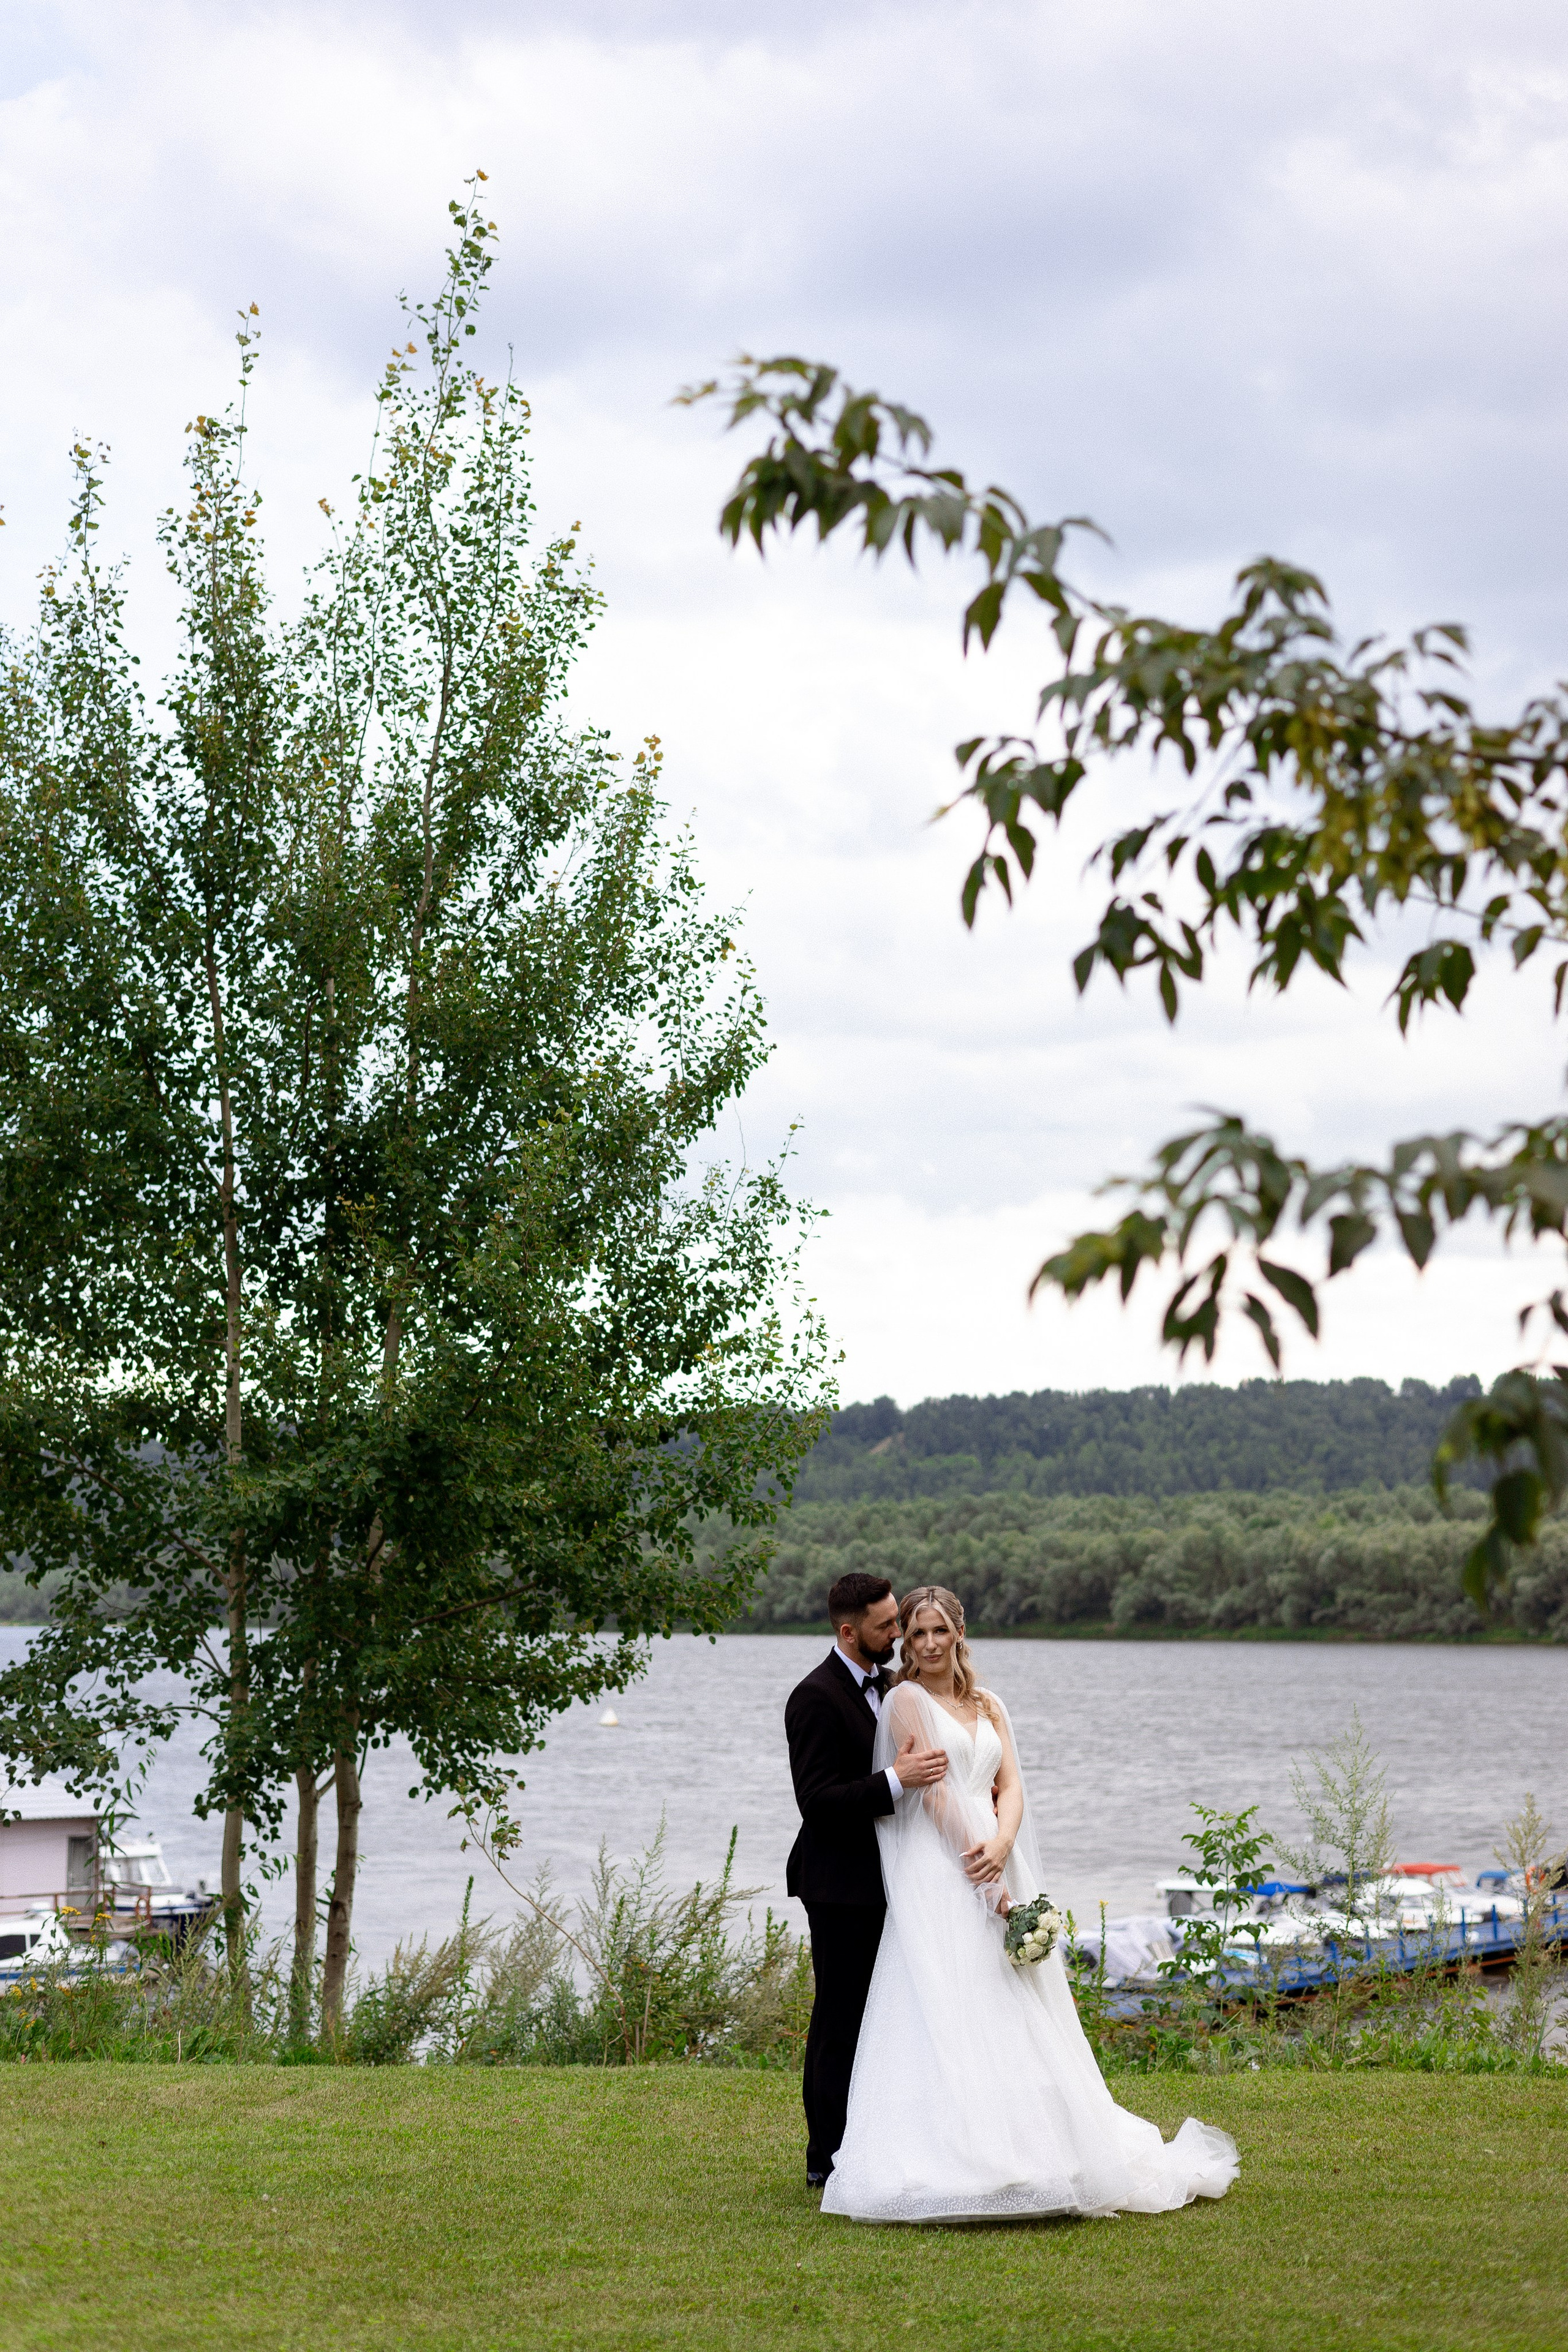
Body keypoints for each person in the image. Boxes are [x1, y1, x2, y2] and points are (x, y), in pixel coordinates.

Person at [820, 1584, 1239, 2224]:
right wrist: (984, 1874)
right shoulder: (905, 1701)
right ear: (905, 1638)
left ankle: (1049, 2148)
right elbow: (931, 1796)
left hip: (996, 1845)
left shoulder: (988, 1703)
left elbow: (1009, 1782)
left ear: (960, 1632)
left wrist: (1004, 1840)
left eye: (940, 1631)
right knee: (953, 1996)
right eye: (916, 1633)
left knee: (1018, 1999)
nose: (928, 1645)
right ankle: (964, 2158)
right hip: (945, 1866)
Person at [783, 1571, 951, 2187]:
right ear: (849, 1632)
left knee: (892, 2015)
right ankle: (825, 2160)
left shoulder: (894, 1686)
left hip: (896, 1878)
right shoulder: (814, 1697)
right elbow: (818, 1801)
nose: (900, 1633)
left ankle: (883, 2143)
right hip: (839, 1886)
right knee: (841, 2020)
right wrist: (897, 1780)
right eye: (887, 1626)